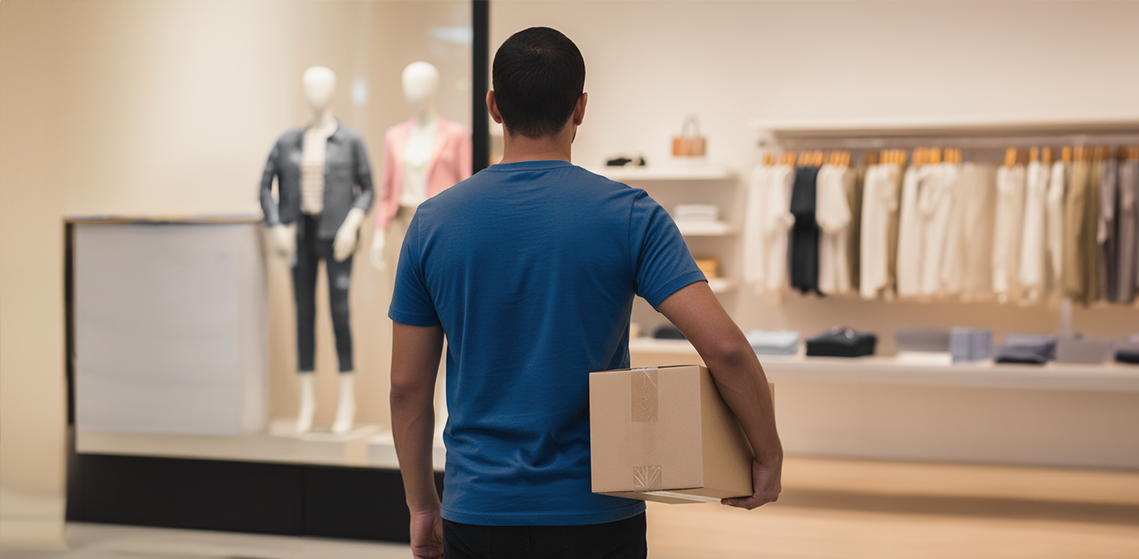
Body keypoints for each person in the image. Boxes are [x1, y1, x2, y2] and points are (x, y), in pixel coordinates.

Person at [389, 27, 782, 559]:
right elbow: (727, 349)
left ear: (493, 107)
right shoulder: (631, 215)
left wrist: (422, 506)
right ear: (580, 108)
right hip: (596, 514)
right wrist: (767, 452)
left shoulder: (432, 223)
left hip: (478, 511)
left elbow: (407, 390)